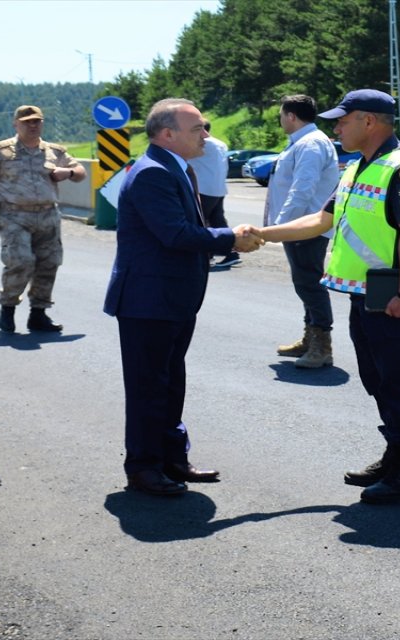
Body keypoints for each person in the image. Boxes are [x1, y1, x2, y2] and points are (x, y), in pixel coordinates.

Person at [259, 90, 400, 504]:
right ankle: (395, 457)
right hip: (366, 296)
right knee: (378, 381)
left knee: (399, 384)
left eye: (342, 120)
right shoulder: (357, 167)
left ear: (369, 121)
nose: (336, 128)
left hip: (396, 299)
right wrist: (263, 234)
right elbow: (320, 220)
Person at [103, 98, 263, 496]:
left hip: (171, 299)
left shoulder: (174, 167)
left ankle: (172, 458)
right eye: (197, 129)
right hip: (148, 301)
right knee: (148, 387)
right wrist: (230, 238)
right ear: (167, 134)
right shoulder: (153, 173)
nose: (206, 135)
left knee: (170, 381)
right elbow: (174, 233)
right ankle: (143, 467)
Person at [0, 105, 86, 334]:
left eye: (36, 121)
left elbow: (80, 171)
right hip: (13, 214)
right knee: (20, 261)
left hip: (48, 214)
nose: (32, 125)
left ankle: (38, 314)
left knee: (49, 263)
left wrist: (68, 172)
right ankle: (8, 307)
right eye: (27, 122)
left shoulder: (54, 151)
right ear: (16, 124)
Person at [264, 94, 341, 369]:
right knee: (304, 282)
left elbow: (302, 190)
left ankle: (322, 346)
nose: (281, 120)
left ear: (291, 116)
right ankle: (310, 338)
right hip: (300, 226)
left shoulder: (311, 144)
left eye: (281, 115)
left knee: (309, 284)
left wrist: (280, 227)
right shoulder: (304, 142)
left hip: (305, 227)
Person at [187, 119, 240, 267]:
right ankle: (230, 253)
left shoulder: (202, 144)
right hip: (219, 188)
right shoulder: (221, 144)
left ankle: (207, 256)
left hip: (203, 188)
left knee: (200, 222)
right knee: (217, 221)